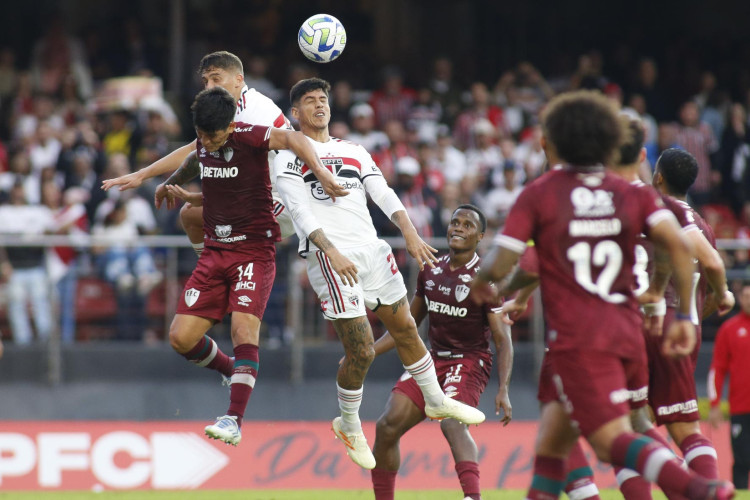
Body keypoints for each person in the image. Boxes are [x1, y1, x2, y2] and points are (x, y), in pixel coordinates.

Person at [470, 90, 734, 499]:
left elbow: (505, 262)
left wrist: (486, 282)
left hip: (579, 339)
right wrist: (675, 310)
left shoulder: (541, 193)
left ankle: (698, 489)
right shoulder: (633, 193)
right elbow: (680, 249)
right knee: (554, 439)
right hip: (628, 332)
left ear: (547, 142)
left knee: (613, 438)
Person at [268, 77, 485, 469]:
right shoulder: (286, 154)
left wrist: (410, 232)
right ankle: (349, 424)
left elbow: (382, 191)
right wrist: (330, 251)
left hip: (372, 250)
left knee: (405, 328)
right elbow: (298, 210)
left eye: (324, 99)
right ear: (295, 113)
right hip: (331, 255)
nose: (320, 106)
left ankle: (435, 399)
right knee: (363, 350)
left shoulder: (353, 149)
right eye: (310, 101)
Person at [160, 86, 343, 446]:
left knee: (244, 331)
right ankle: (233, 370)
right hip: (215, 251)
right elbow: (199, 164)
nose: (205, 141)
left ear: (229, 128)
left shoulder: (252, 137)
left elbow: (293, 139)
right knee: (180, 339)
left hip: (253, 251)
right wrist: (172, 183)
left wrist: (319, 171)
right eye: (199, 135)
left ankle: (233, 419)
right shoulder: (204, 140)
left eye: (211, 136)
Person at [100, 51, 326, 253]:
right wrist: (144, 175)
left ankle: (223, 278)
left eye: (216, 79)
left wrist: (322, 173)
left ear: (239, 80)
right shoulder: (229, 111)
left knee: (219, 229)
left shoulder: (253, 113)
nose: (209, 87)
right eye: (205, 80)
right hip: (256, 198)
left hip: (282, 202)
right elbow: (196, 149)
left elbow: (295, 140)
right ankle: (213, 274)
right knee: (190, 214)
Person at [369, 204, 512, 500]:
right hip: (433, 360)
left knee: (451, 422)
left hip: (470, 360)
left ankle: (473, 497)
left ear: (480, 237)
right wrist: (368, 351)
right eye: (454, 222)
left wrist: (505, 388)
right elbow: (406, 326)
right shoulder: (430, 268)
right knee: (386, 426)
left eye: (467, 225)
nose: (458, 228)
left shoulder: (487, 278)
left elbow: (503, 338)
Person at [709, 284, 750, 489]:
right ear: (740, 299)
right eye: (746, 296)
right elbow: (717, 368)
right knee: (742, 459)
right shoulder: (730, 328)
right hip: (740, 407)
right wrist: (714, 404)